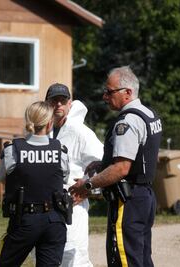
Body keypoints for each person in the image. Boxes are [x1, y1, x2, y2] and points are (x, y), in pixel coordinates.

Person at [70, 66, 162, 267]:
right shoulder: (150, 114)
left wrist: (86, 186)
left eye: (110, 92)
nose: (105, 96)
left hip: (127, 201)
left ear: (127, 92)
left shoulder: (127, 122)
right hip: (145, 196)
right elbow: (147, 156)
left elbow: (121, 169)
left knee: (124, 259)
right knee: (142, 258)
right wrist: (104, 163)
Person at [0, 101, 71, 266]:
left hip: (24, 221)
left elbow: (0, 178)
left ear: (27, 120)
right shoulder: (60, 150)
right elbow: (64, 178)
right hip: (54, 221)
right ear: (50, 123)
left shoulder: (12, 150)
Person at [45, 83, 103, 267]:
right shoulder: (41, 130)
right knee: (48, 257)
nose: (59, 105)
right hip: (45, 205)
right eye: (54, 101)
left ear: (70, 103)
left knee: (75, 258)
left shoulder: (81, 132)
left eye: (63, 101)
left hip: (72, 204)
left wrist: (89, 187)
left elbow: (101, 163)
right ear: (47, 103)